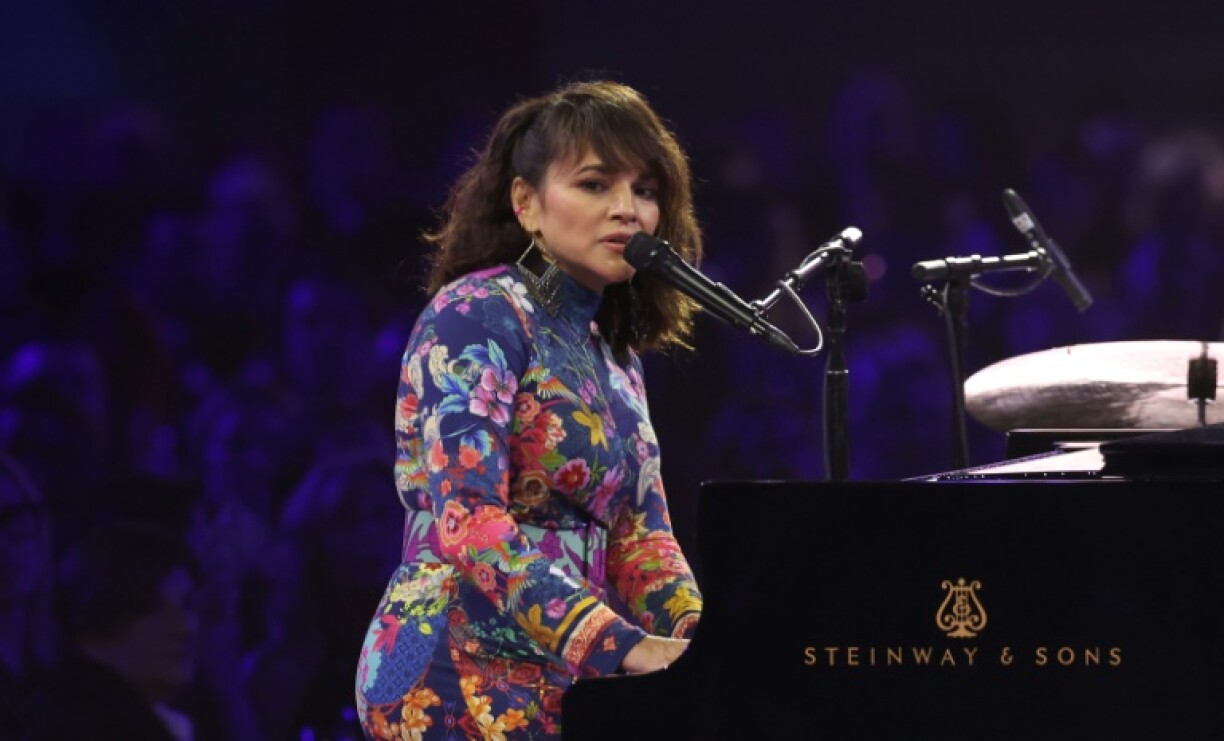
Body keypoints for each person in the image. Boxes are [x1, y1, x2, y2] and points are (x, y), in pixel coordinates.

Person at [354, 80, 704, 739]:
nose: (627, 210)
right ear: (527, 203)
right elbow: (468, 522)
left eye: (645, 190)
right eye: (595, 184)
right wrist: (622, 644)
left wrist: (703, 639)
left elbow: (640, 535)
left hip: (567, 676)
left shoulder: (613, 352)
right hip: (452, 671)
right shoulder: (477, 312)